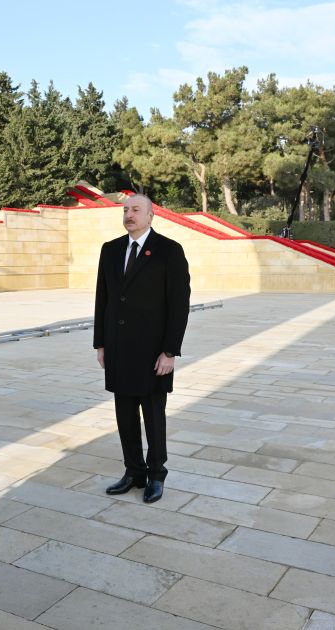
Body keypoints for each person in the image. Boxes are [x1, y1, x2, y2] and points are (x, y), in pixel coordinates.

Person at [93, 193, 190, 503]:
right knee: (124, 415)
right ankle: (133, 471)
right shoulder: (110, 250)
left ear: (151, 216)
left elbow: (179, 306)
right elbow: (102, 300)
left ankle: (156, 474)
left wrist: (170, 351)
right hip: (119, 350)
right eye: (125, 209)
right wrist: (101, 343)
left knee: (153, 416)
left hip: (152, 353)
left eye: (136, 210)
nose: (129, 214)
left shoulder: (169, 251)